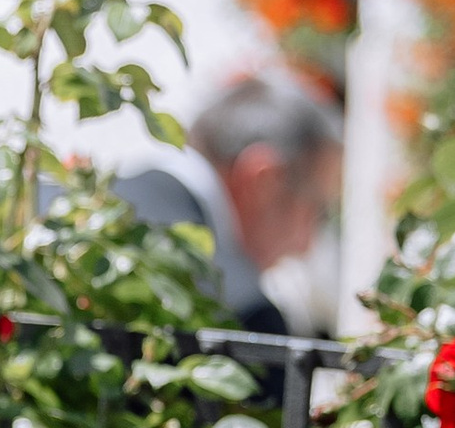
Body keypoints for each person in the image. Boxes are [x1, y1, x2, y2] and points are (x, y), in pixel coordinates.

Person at [116, 64, 342, 337]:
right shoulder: (246, 318)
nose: (305, 247)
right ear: (265, 183)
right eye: (319, 212)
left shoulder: (65, 204)